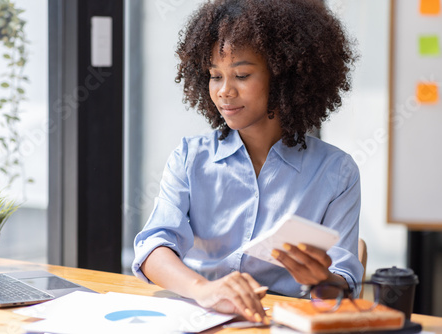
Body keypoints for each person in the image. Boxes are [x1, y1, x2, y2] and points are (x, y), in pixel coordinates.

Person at [132, 0, 363, 325]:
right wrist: (203, 289)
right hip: (197, 316)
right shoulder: (190, 158)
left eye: (241, 75)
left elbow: (341, 287)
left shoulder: (336, 173)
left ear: (285, 76)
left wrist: (322, 281)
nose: (224, 91)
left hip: (279, 322)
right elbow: (153, 247)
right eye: (215, 76)